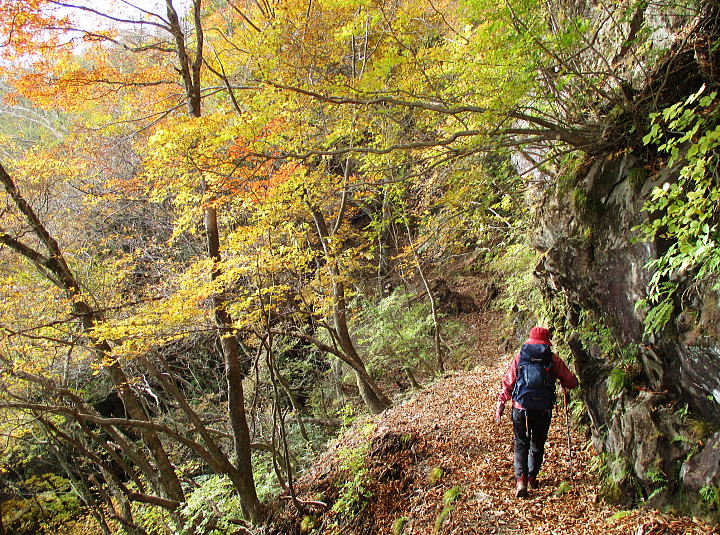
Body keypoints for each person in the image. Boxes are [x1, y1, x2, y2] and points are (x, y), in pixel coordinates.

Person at [495, 326, 578, 498]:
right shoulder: (551, 359)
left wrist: (501, 403)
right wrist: (573, 380)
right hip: (542, 410)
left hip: (520, 408)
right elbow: (570, 382)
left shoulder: (520, 357)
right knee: (537, 444)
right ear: (547, 343)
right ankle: (532, 477)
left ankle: (521, 481)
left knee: (521, 444)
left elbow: (508, 381)